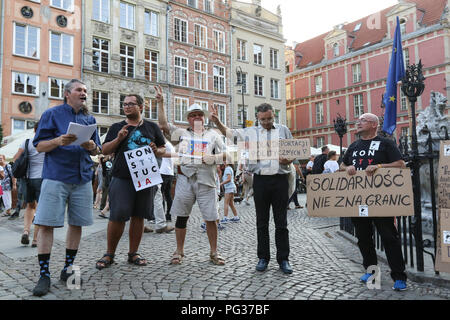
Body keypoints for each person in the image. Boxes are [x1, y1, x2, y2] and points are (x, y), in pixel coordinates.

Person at [31, 79, 101, 297]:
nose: (84, 93)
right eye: (79, 90)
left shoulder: (90, 119)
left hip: (82, 178)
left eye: (85, 91)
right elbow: (39, 145)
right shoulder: (52, 115)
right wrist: (58, 141)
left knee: (77, 224)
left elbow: (97, 149)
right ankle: (44, 275)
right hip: (57, 177)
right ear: (67, 93)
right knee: (46, 225)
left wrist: (92, 146)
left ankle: (68, 268)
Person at [211, 103, 294, 274]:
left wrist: (289, 159)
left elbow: (293, 152)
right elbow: (231, 134)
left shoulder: (284, 130)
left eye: (269, 118)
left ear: (274, 116)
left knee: (281, 223)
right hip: (261, 180)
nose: (266, 122)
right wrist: (218, 122)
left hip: (280, 179)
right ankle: (263, 258)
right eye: (263, 119)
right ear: (257, 117)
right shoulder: (250, 132)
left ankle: (283, 259)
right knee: (261, 222)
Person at [156, 91, 228, 265]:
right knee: (181, 216)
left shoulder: (213, 135)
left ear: (204, 119)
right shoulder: (181, 134)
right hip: (185, 180)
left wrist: (215, 158)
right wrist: (160, 103)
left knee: (211, 218)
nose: (197, 118)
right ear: (188, 119)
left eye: (199, 115)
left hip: (207, 180)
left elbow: (228, 155)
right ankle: (179, 251)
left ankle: (214, 252)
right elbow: (164, 125)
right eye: (193, 115)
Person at [95, 94, 166, 270]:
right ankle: (109, 253)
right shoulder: (116, 127)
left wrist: (157, 150)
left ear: (141, 107)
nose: (126, 107)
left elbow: (163, 148)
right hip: (122, 176)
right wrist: (119, 138)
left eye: (131, 104)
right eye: (124, 104)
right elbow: (104, 150)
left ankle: (133, 252)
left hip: (145, 176)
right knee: (117, 215)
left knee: (139, 215)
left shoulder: (151, 126)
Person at [340, 112, 408, 291]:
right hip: (358, 200)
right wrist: (348, 168)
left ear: (374, 125)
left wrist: (379, 166)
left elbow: (400, 164)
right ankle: (371, 272)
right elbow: (342, 165)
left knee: (389, 238)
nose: (358, 122)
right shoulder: (353, 146)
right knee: (363, 238)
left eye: (363, 120)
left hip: (381, 201)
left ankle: (399, 277)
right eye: (358, 120)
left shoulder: (386, 144)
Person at [12, 121, 45, 247]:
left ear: (34, 130)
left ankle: (26, 231)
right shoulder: (46, 143)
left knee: (30, 206)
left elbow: (16, 158)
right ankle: (35, 239)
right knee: (40, 208)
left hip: (27, 178)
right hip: (42, 179)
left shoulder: (27, 142)